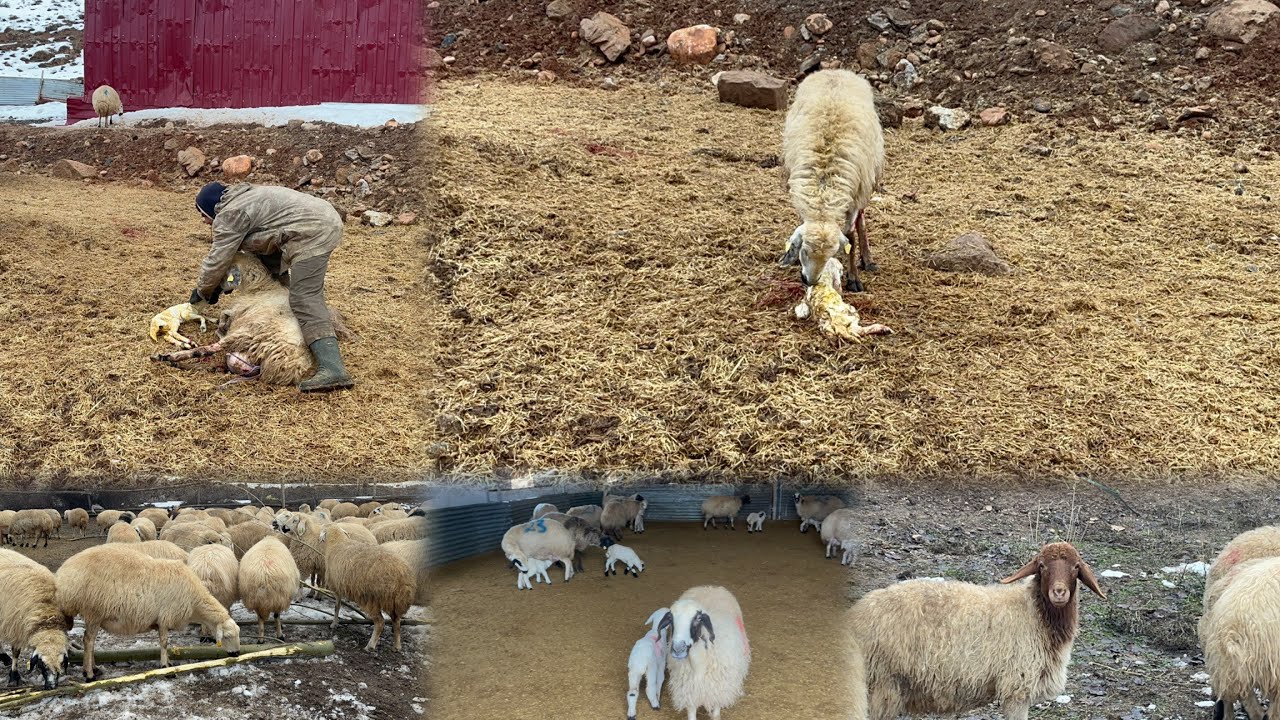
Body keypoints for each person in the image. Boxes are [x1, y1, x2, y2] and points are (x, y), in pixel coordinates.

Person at [190, 181, 354, 392]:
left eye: (203, 214)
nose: (204, 221)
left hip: (312, 231)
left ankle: (333, 369)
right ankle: (294, 328)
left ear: (211, 207)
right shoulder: (245, 198)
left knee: (304, 297)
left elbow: (218, 259)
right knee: (277, 281)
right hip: (314, 221)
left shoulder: (230, 214)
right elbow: (265, 239)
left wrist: (203, 291)